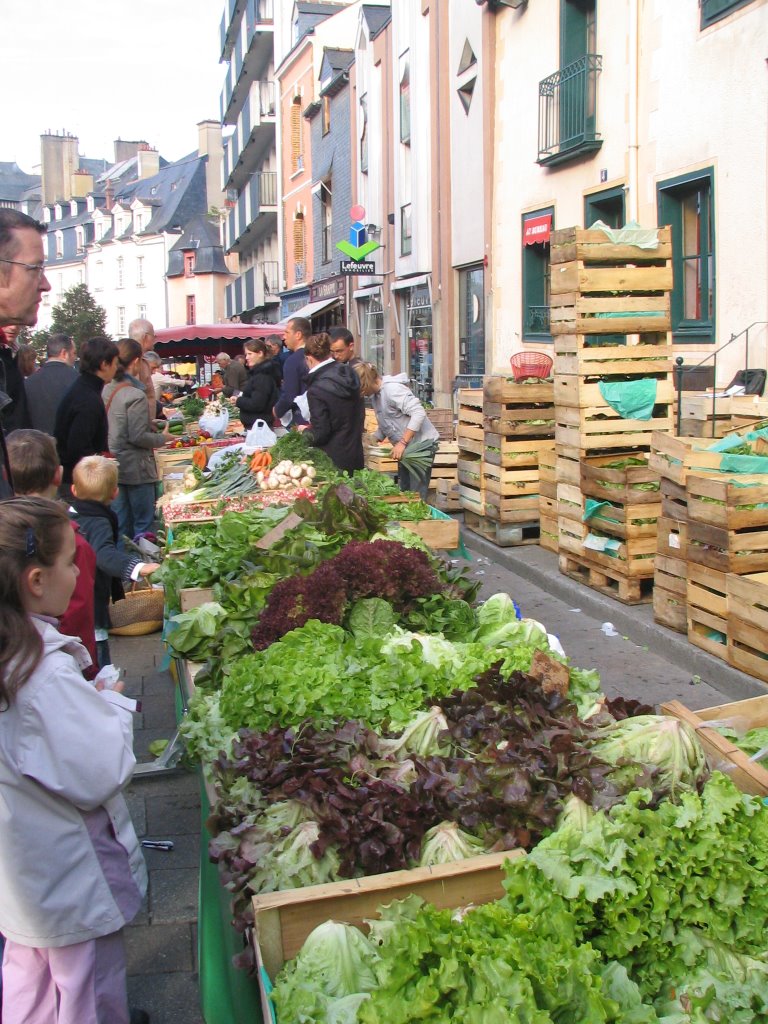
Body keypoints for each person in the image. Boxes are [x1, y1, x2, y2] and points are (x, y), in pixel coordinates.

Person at [0, 496, 147, 1024]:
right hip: (68, 874)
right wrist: (109, 701)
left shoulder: (14, 659)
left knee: (29, 973)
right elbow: (101, 769)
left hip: (21, 872)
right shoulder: (41, 674)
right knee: (88, 984)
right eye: (70, 562)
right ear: (36, 581)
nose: (77, 569)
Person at [5, 428, 99, 676]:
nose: (74, 569)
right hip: (67, 661)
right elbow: (78, 613)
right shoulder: (68, 541)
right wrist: (86, 669)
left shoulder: (8, 531)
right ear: (58, 475)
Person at [69, 456, 160, 669]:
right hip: (89, 603)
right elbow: (104, 555)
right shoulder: (98, 522)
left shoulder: (67, 516)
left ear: (73, 490)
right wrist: (138, 567)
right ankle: (102, 689)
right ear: (115, 493)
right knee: (97, 652)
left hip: (72, 600)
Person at [103, 339, 169, 544]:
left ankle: (125, 571)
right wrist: (163, 438)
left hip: (114, 464)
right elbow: (137, 436)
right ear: (135, 362)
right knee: (144, 527)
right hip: (137, 468)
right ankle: (143, 570)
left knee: (122, 525)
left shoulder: (106, 389)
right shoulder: (134, 395)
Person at [356, 362, 439, 499]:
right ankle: (411, 515)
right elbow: (388, 422)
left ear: (366, 383)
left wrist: (402, 442)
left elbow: (418, 412)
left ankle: (419, 516)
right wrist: (374, 438)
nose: (362, 394)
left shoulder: (392, 390)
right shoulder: (376, 397)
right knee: (405, 488)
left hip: (420, 445)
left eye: (362, 389)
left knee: (416, 491)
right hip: (406, 448)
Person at [54, 336, 119, 494]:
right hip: (81, 485)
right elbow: (79, 449)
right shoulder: (87, 399)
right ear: (104, 364)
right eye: (115, 364)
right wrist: (104, 462)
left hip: (78, 481)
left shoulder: (83, 388)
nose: (117, 369)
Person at [301, 332, 364, 473]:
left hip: (331, 460)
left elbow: (321, 432)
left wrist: (304, 433)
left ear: (309, 359)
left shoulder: (317, 389)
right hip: (355, 453)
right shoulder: (350, 373)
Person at [24, 333, 78, 435]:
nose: (75, 357)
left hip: (38, 446)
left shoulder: (28, 383)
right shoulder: (78, 380)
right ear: (64, 353)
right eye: (74, 353)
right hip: (69, 445)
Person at [235, 339, 280, 430]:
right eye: (246, 354)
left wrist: (238, 401)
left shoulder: (262, 376)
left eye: (250, 354)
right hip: (257, 425)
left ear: (260, 353)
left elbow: (257, 404)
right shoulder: (259, 373)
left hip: (259, 427)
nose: (246, 357)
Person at [274, 316, 310, 426]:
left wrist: (276, 411)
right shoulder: (319, 356)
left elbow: (289, 395)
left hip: (302, 419)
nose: (283, 337)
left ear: (298, 335)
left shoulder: (293, 360)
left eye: (287, 332)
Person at [127, 317, 157, 401]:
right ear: (145, 337)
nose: (155, 339)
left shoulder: (139, 359)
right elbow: (135, 398)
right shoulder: (133, 361)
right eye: (154, 336)